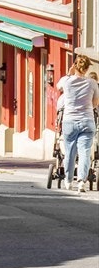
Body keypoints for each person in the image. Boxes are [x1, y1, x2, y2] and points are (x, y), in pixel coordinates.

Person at [56, 55, 98, 190]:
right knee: (85, 152)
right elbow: (96, 103)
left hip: (70, 121)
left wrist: (69, 73)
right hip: (87, 120)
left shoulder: (66, 81)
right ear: (86, 68)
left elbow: (58, 87)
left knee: (70, 152)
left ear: (75, 65)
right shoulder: (92, 83)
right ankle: (81, 181)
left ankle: (68, 181)